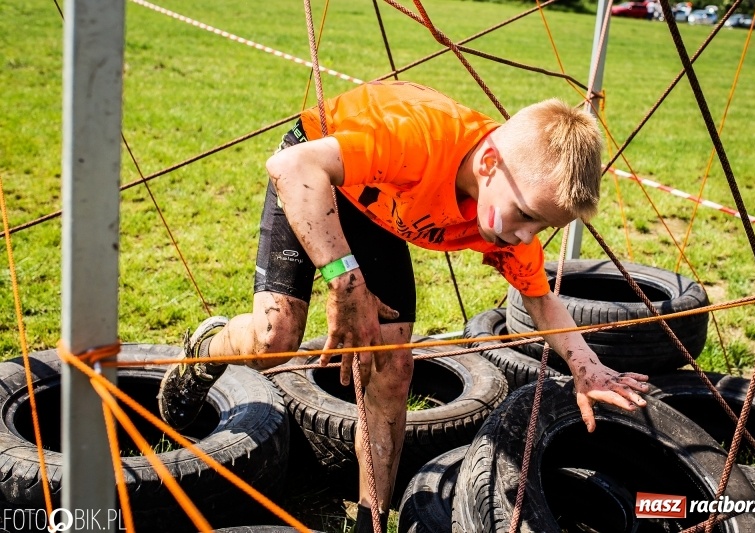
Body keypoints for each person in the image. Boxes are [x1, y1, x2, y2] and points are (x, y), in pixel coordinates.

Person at [157, 80, 650, 532]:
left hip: (380, 207)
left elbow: (541, 300)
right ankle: (203, 349)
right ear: (488, 164)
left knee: (392, 369)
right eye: (525, 216)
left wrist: (588, 368)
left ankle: (370, 522)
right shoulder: (419, 140)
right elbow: (293, 168)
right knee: (276, 338)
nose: (526, 236)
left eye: (542, 227)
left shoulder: (509, 213)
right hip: (318, 170)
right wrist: (345, 282)